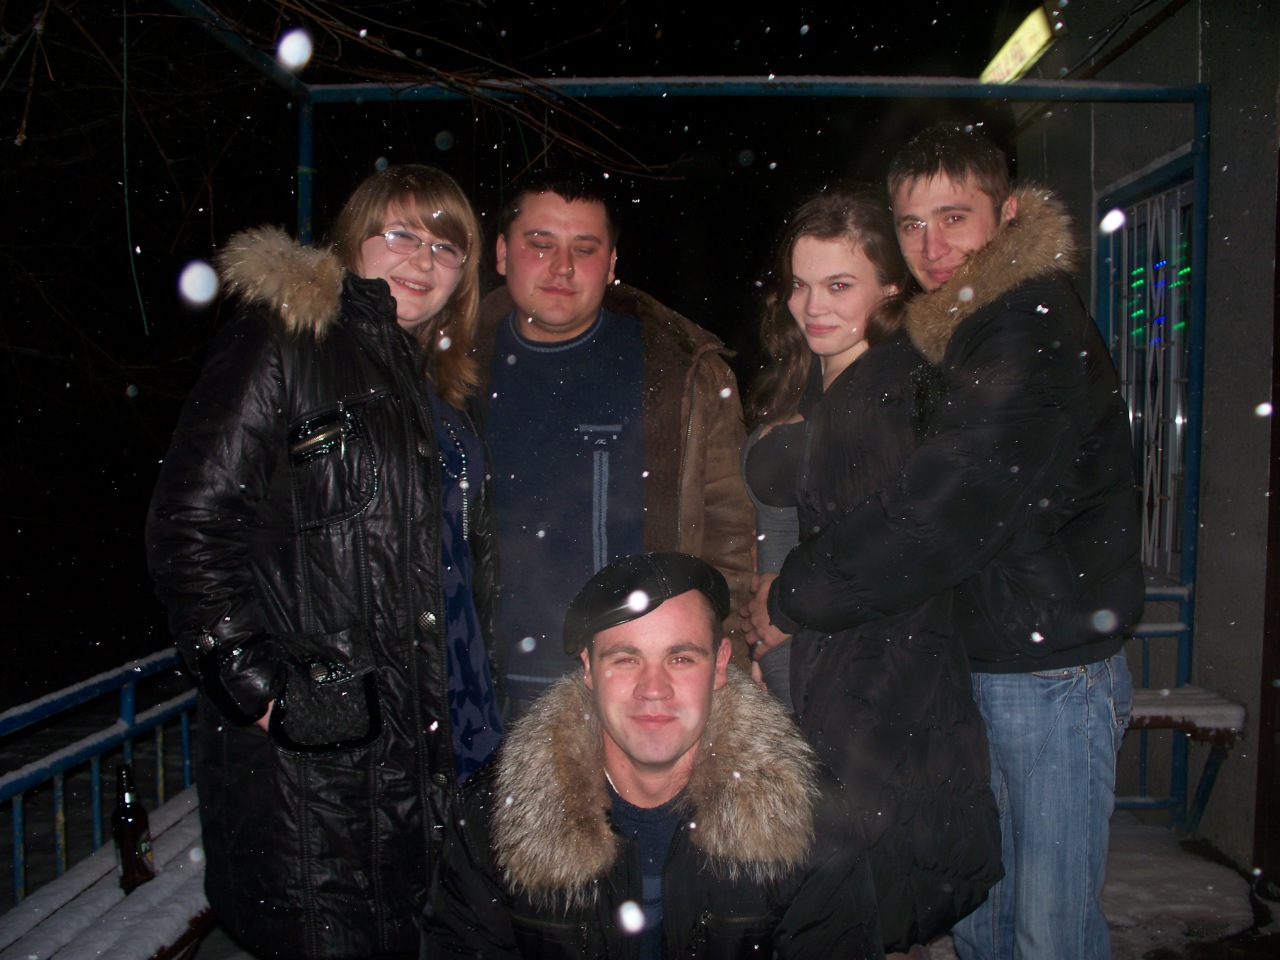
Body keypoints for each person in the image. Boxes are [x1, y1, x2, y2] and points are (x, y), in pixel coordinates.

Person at [750, 124, 1143, 960]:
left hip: (1051, 671)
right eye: (913, 223)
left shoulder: (1025, 324)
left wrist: (793, 595)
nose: (933, 246)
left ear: (1007, 214)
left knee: (1049, 930)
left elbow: (942, 507)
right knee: (987, 918)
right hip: (995, 656)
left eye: (955, 218)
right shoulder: (963, 326)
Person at [146, 164, 503, 960]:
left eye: (447, 245)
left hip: (447, 739)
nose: (423, 259)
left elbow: (458, 568)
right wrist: (263, 692)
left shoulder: (442, 391)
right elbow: (190, 524)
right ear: (352, 242)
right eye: (400, 233)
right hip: (327, 766)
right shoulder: (286, 341)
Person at [742, 183, 1002, 955]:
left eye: (839, 285)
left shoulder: (888, 393)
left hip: (859, 690)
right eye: (800, 285)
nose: (811, 306)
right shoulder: (814, 375)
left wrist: (788, 614)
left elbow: (895, 565)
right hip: (797, 672)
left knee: (847, 906)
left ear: (890, 288)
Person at [420, 551, 886, 959]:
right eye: (626, 659)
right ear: (588, 669)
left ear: (720, 665)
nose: (654, 689)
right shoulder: (496, 821)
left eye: (681, 659)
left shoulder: (810, 818)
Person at [470, 169, 756, 716]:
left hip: (635, 699)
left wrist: (727, 666)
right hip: (480, 693)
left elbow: (730, 536)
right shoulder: (450, 371)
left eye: (584, 248)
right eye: (540, 244)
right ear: (502, 253)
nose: (562, 267)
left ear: (612, 263)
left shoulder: (680, 373)